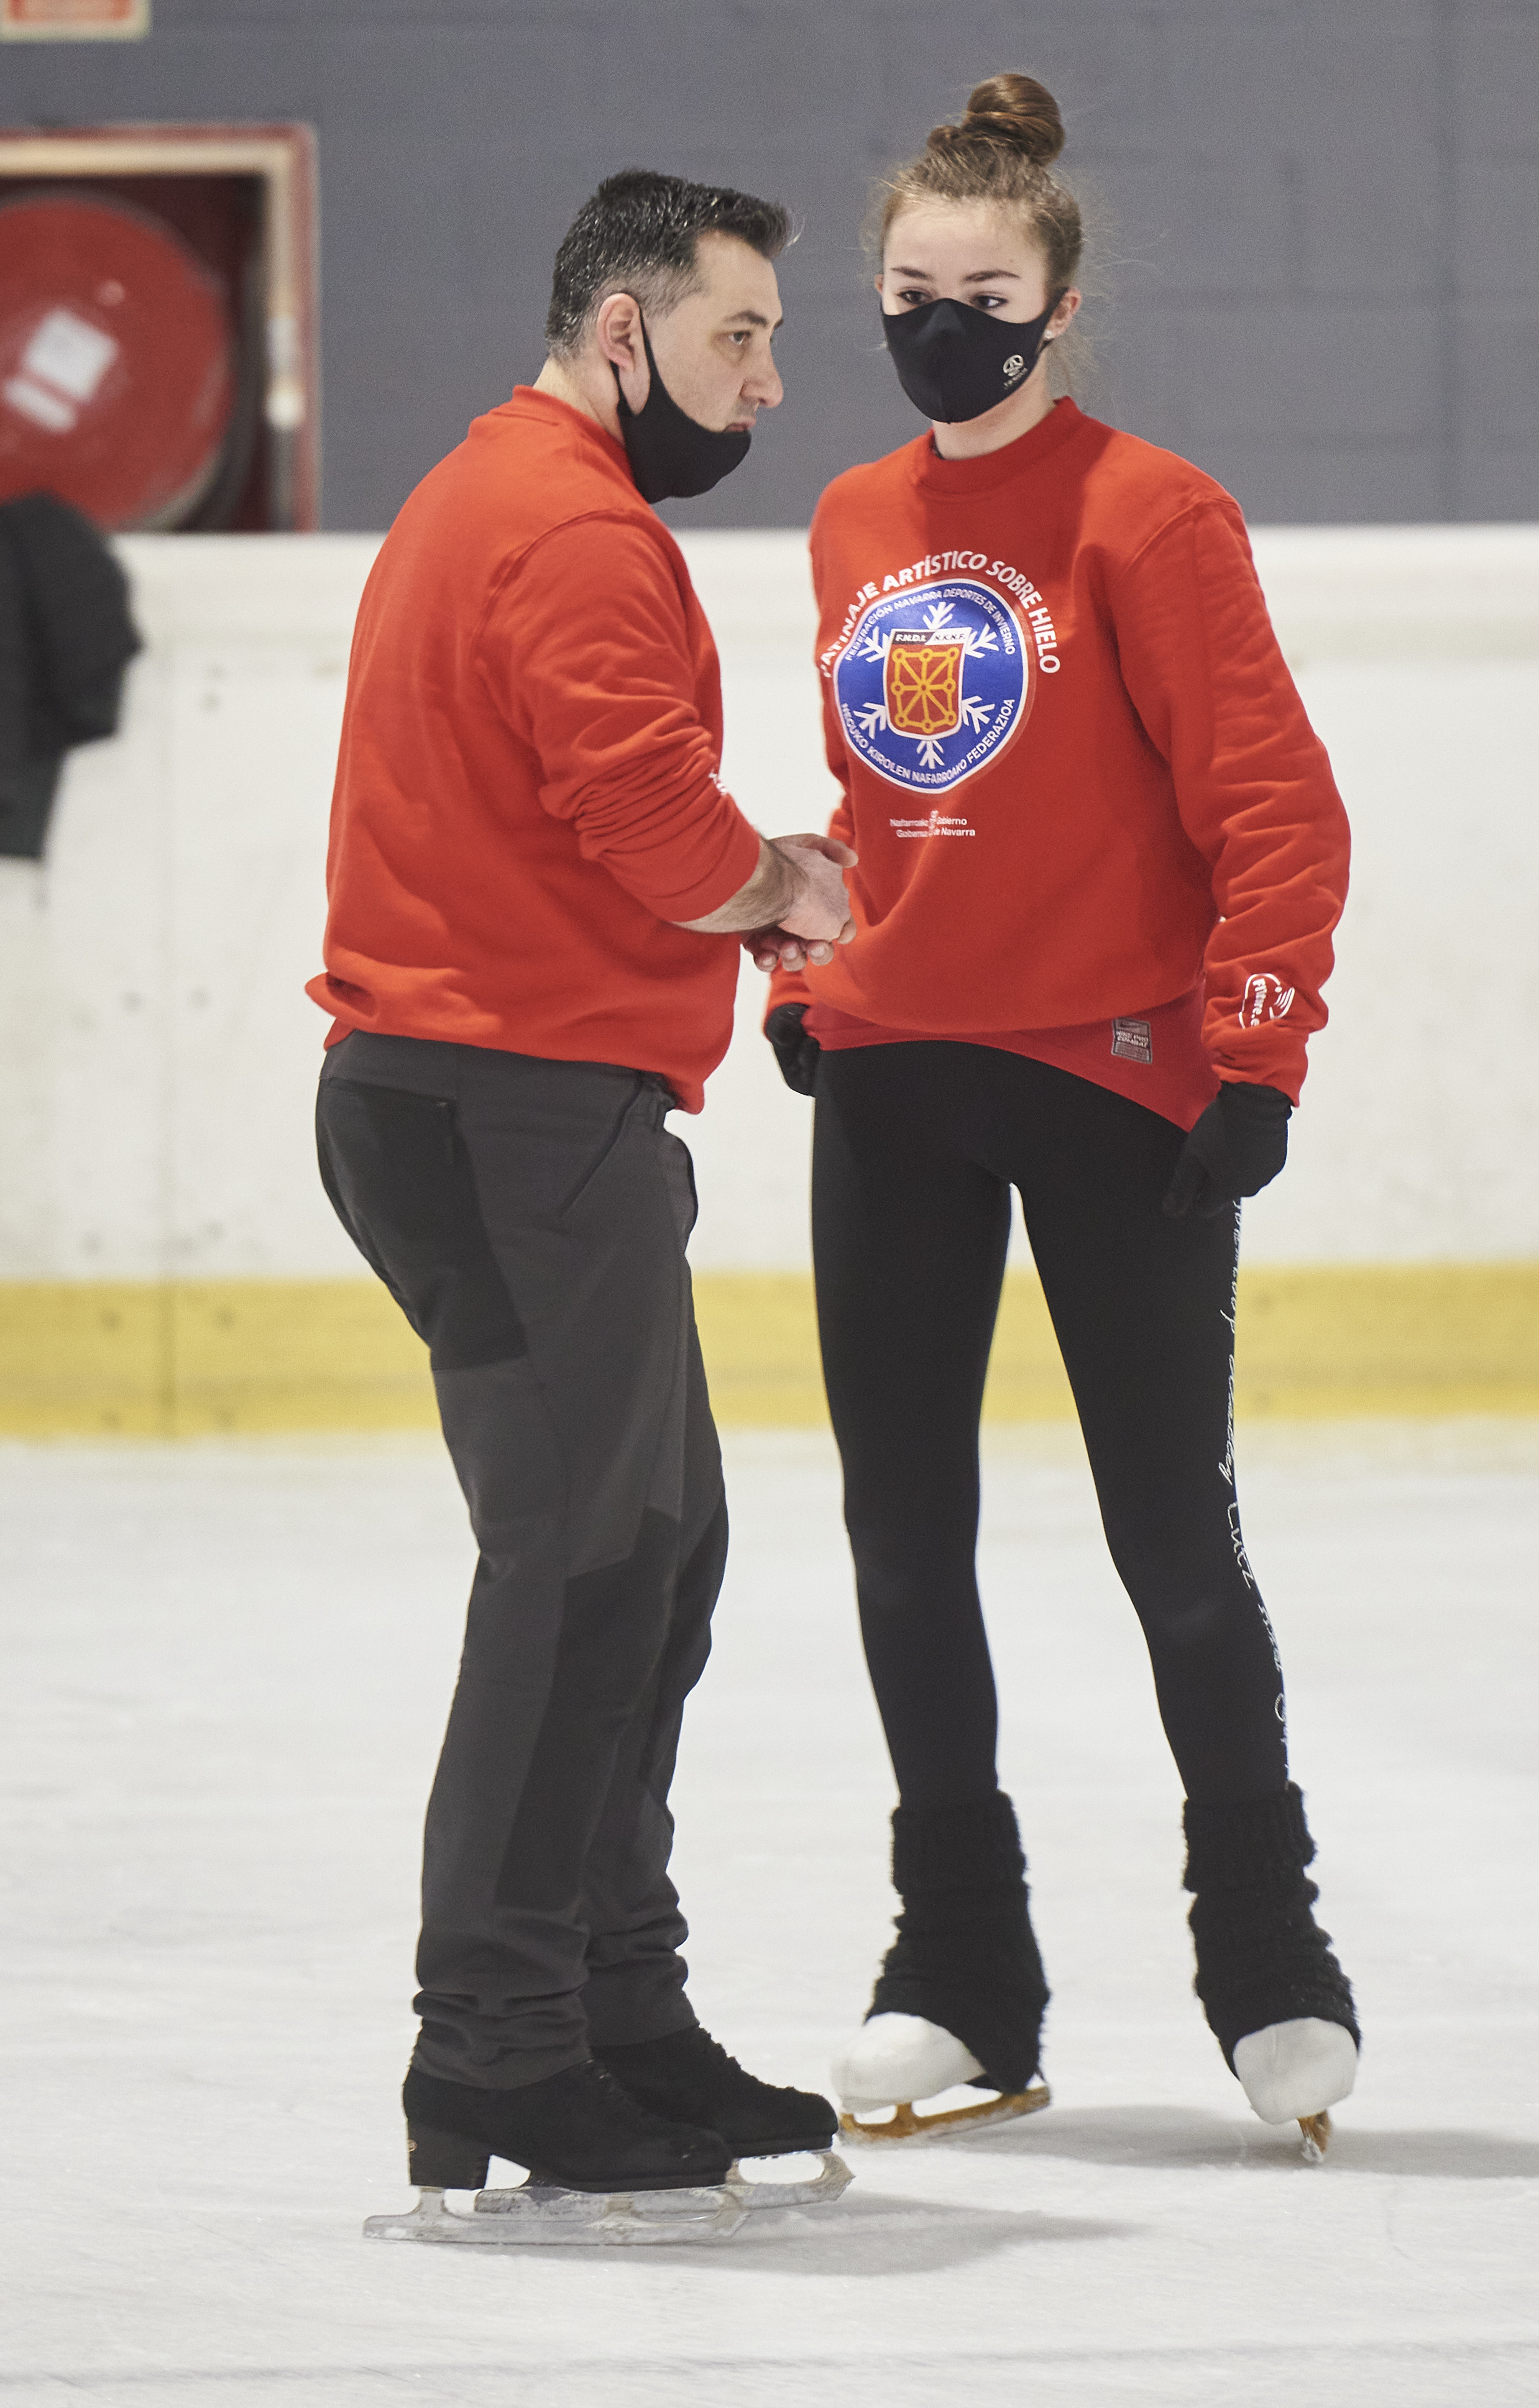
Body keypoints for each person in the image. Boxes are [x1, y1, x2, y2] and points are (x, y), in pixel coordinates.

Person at [759, 76, 1361, 2157]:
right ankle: (960, 1973)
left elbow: (1272, 805)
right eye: (912, 291)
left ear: (1058, 298)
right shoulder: (849, 520)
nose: (946, 322)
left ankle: (1270, 1959)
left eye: (985, 291)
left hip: (1120, 1087)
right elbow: (871, 804)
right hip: (900, 1079)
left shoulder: (1151, 515)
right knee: (905, 1550)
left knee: (1172, 1549)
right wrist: (806, 976)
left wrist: (1258, 1048)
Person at [309, 169, 857, 2218]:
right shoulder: (562, 522)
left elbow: (600, 806)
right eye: (740, 339)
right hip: (507, 1116)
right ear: (622, 331)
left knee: (659, 1553)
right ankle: (505, 2054)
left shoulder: (513, 496)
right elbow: (643, 819)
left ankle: (620, 2015)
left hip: (515, 1109)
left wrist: (754, 876)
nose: (769, 383)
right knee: (586, 1572)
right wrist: (793, 893)